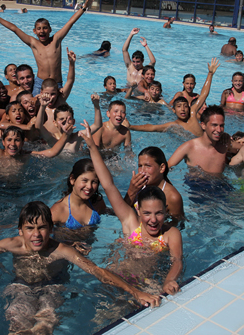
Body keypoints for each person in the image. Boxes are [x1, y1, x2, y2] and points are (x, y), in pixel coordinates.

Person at [0, 201, 161, 334]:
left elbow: (97, 272)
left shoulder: (61, 250)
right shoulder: (13, 244)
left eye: (42, 228)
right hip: (21, 287)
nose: (36, 235)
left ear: (51, 228)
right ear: (20, 230)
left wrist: (135, 292)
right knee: (19, 326)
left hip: (52, 288)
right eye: (30, 228)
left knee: (44, 326)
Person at [81, 123, 183, 295]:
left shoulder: (170, 234)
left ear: (166, 212)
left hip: (144, 286)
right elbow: (108, 185)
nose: (152, 219)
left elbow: (177, 261)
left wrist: (169, 280)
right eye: (147, 213)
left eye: (158, 213)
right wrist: (92, 147)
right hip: (115, 281)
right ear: (139, 211)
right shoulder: (132, 224)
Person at [0, 0, 93, 95]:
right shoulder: (34, 43)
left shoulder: (56, 39)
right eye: (39, 29)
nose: (42, 31)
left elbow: (71, 22)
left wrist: (84, 7)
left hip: (56, 83)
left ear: (50, 29)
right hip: (40, 83)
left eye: (45, 28)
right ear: (34, 31)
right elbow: (14, 28)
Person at [129, 59, 220, 137]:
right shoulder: (174, 125)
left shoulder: (192, 114)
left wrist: (210, 74)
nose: (183, 109)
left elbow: (204, 94)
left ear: (189, 108)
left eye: (185, 106)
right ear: (174, 110)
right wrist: (130, 127)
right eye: (179, 106)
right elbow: (153, 127)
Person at [167, 105, 232, 175]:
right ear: (203, 125)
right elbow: (165, 168)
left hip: (221, 183)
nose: (219, 130)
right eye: (214, 125)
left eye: (221, 126)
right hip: (196, 183)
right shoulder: (189, 147)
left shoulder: (225, 143)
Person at [124, 147, 184, 220]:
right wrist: (131, 191)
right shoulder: (137, 187)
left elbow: (177, 223)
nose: (142, 171)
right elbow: (121, 213)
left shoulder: (172, 197)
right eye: (140, 166)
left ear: (161, 168)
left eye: (148, 166)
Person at [51, 159, 106, 229]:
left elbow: (117, 216)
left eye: (94, 182)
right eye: (85, 180)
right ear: (72, 179)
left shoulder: (97, 202)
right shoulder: (58, 211)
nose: (89, 186)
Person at [36, 96, 102, 153]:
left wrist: (96, 106)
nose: (65, 121)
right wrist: (42, 106)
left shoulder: (77, 137)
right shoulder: (52, 138)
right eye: (61, 119)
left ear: (73, 122)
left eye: (69, 118)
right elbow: (38, 126)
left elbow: (97, 125)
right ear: (55, 123)